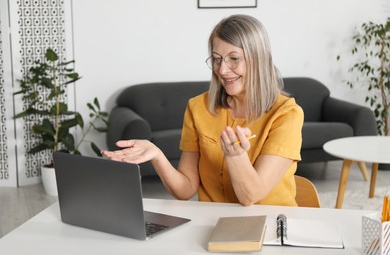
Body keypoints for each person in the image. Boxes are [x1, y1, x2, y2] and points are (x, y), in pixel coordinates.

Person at [102, 14, 303, 207]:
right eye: (217, 59)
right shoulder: (198, 107)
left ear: (258, 59)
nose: (222, 70)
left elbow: (250, 197)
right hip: (214, 223)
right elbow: (186, 189)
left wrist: (235, 157)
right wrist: (157, 156)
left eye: (234, 58)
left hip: (272, 225)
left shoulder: (286, 114)